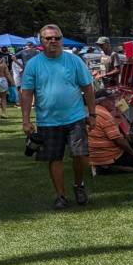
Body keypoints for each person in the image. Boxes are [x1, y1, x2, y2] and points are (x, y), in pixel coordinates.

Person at [21, 24, 96, 210]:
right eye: (48, 38)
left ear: (61, 40)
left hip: (75, 117)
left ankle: (79, 186)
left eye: (57, 38)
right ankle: (61, 196)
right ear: (41, 42)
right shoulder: (34, 64)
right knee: (55, 158)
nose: (53, 41)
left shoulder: (74, 61)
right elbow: (27, 93)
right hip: (48, 120)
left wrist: (92, 113)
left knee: (80, 155)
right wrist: (26, 120)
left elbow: (87, 88)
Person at [88, 90, 133, 174]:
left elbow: (122, 135)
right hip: (107, 155)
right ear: (102, 101)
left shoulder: (96, 111)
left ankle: (104, 166)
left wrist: (119, 114)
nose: (114, 102)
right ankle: (107, 167)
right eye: (111, 99)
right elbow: (119, 140)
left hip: (97, 153)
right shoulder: (105, 115)